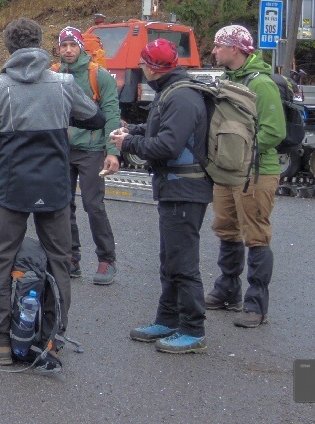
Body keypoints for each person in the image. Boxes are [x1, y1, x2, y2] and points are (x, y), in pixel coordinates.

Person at [0, 18, 104, 373]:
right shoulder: (63, 83)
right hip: (54, 187)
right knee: (59, 260)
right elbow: (93, 118)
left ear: (9, 48)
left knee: (1, 260)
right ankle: (51, 340)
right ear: (40, 44)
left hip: (13, 187)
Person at [110, 38, 211, 354]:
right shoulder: (172, 92)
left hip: (185, 189)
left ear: (153, 68)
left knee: (183, 263)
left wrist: (127, 145)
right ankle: (167, 320)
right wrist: (133, 132)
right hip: (176, 188)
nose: (140, 68)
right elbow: (161, 131)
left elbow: (168, 146)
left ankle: (193, 330)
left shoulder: (181, 98)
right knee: (170, 260)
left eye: (143, 63)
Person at [206, 25, 285, 327]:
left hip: (256, 172)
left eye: (218, 46)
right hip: (227, 171)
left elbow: (275, 131)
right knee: (225, 228)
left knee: (255, 234)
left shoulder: (262, 84)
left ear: (234, 50)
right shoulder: (226, 80)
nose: (213, 51)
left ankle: (256, 305)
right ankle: (227, 291)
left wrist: (244, 156)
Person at [53, 26, 121, 285]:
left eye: (73, 45)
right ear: (58, 49)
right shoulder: (54, 74)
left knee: (93, 206)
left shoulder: (99, 75)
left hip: (91, 151)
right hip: (63, 149)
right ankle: (71, 258)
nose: (68, 50)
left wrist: (112, 151)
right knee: (63, 205)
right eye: (64, 45)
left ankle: (107, 259)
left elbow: (112, 114)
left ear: (82, 47)